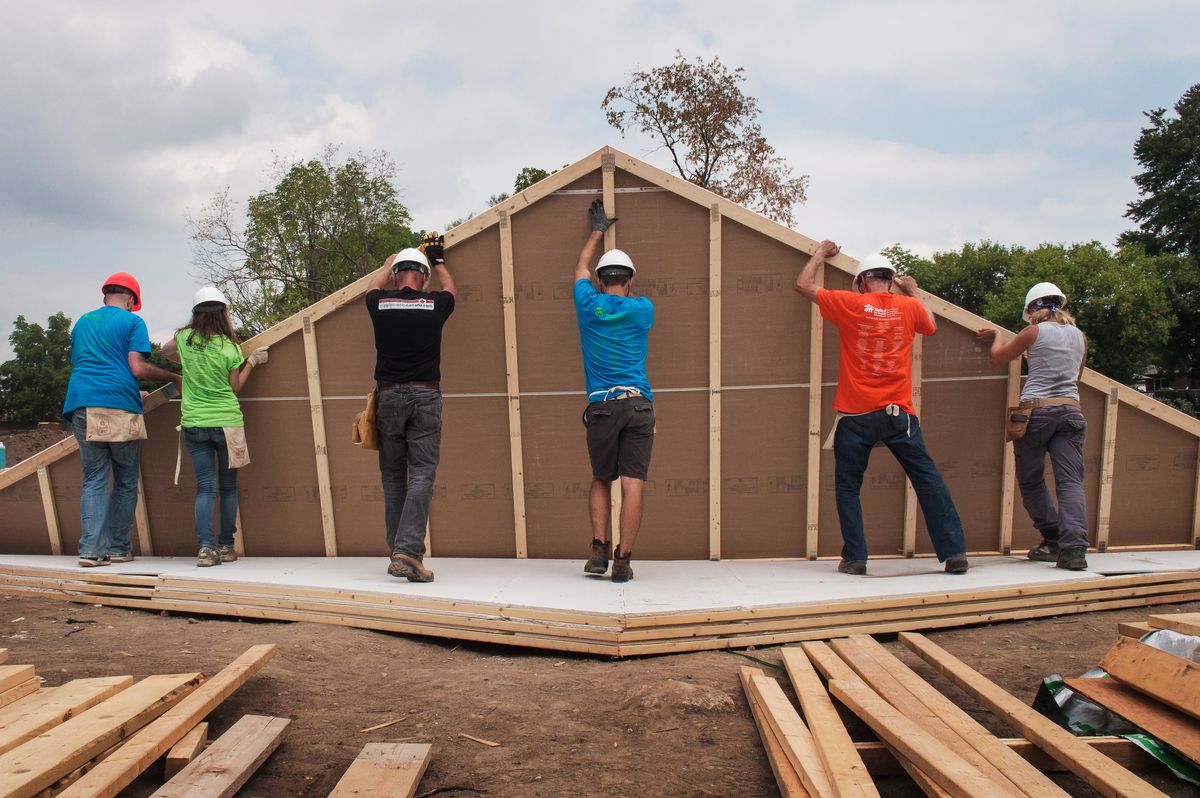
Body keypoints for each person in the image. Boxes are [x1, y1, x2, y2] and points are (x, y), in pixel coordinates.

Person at [794, 244, 969, 575]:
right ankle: (954, 554)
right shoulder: (908, 307)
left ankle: (856, 559)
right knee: (927, 478)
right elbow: (931, 325)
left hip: (856, 416)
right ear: (890, 281)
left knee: (848, 486)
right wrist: (914, 292)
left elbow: (802, 285)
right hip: (898, 415)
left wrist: (820, 254)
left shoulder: (851, 303)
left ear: (861, 282)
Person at [62, 272, 181, 567]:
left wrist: (128, 388)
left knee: (94, 480)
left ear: (106, 295)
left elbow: (95, 365)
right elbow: (137, 367)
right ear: (130, 300)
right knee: (126, 480)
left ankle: (90, 551)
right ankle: (117, 548)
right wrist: (173, 376)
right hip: (118, 407)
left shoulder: (83, 322)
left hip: (82, 403)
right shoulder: (132, 322)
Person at [976, 282, 1089, 570]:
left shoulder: (1032, 332)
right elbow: (1077, 375)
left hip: (1038, 413)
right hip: (1072, 412)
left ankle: (1052, 539)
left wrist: (998, 335)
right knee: (1070, 482)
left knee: (1031, 480)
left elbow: (996, 358)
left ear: (1033, 310)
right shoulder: (1080, 337)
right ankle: (1074, 550)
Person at [365, 234, 456, 582]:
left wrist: (386, 266)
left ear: (396, 276)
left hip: (388, 398)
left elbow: (371, 287)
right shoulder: (434, 304)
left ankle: (398, 552)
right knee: (421, 474)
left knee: (392, 478)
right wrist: (439, 259)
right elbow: (451, 291)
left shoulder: (379, 302)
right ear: (423, 276)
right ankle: (407, 551)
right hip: (425, 397)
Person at [575, 200, 655, 583]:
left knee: (601, 477)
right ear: (630, 281)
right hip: (639, 405)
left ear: (600, 280)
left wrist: (596, 231)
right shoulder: (644, 308)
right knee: (633, 481)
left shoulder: (587, 302)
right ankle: (624, 560)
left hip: (603, 408)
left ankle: (598, 553)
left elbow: (578, 271)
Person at [162, 287, 267, 567]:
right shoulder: (230, 348)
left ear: (196, 313)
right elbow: (235, 388)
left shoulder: (185, 339)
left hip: (195, 423)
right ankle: (225, 547)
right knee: (229, 488)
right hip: (227, 424)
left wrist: (187, 357)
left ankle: (206, 549)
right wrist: (252, 363)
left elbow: (164, 350)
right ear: (223, 314)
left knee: (206, 488)